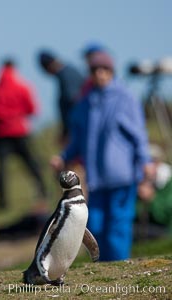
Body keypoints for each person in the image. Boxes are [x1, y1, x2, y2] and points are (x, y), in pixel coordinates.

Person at [50, 51, 155, 261]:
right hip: (97, 180)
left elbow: (138, 135)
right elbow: (78, 140)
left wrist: (145, 162)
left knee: (118, 227)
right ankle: (102, 269)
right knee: (95, 226)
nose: (100, 74)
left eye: (104, 69)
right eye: (95, 70)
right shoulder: (86, 103)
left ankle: (118, 271)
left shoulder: (125, 98)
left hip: (122, 176)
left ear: (111, 71)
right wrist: (63, 156)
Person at [0, 59, 47, 209]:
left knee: (1, 168)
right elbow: (32, 109)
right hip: (19, 131)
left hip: (0, 133)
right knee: (31, 163)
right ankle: (44, 191)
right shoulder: (22, 86)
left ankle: (2, 202)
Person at [38, 50, 84, 144]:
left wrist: (67, 131)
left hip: (77, 128)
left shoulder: (67, 75)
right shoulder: (66, 73)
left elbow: (73, 102)